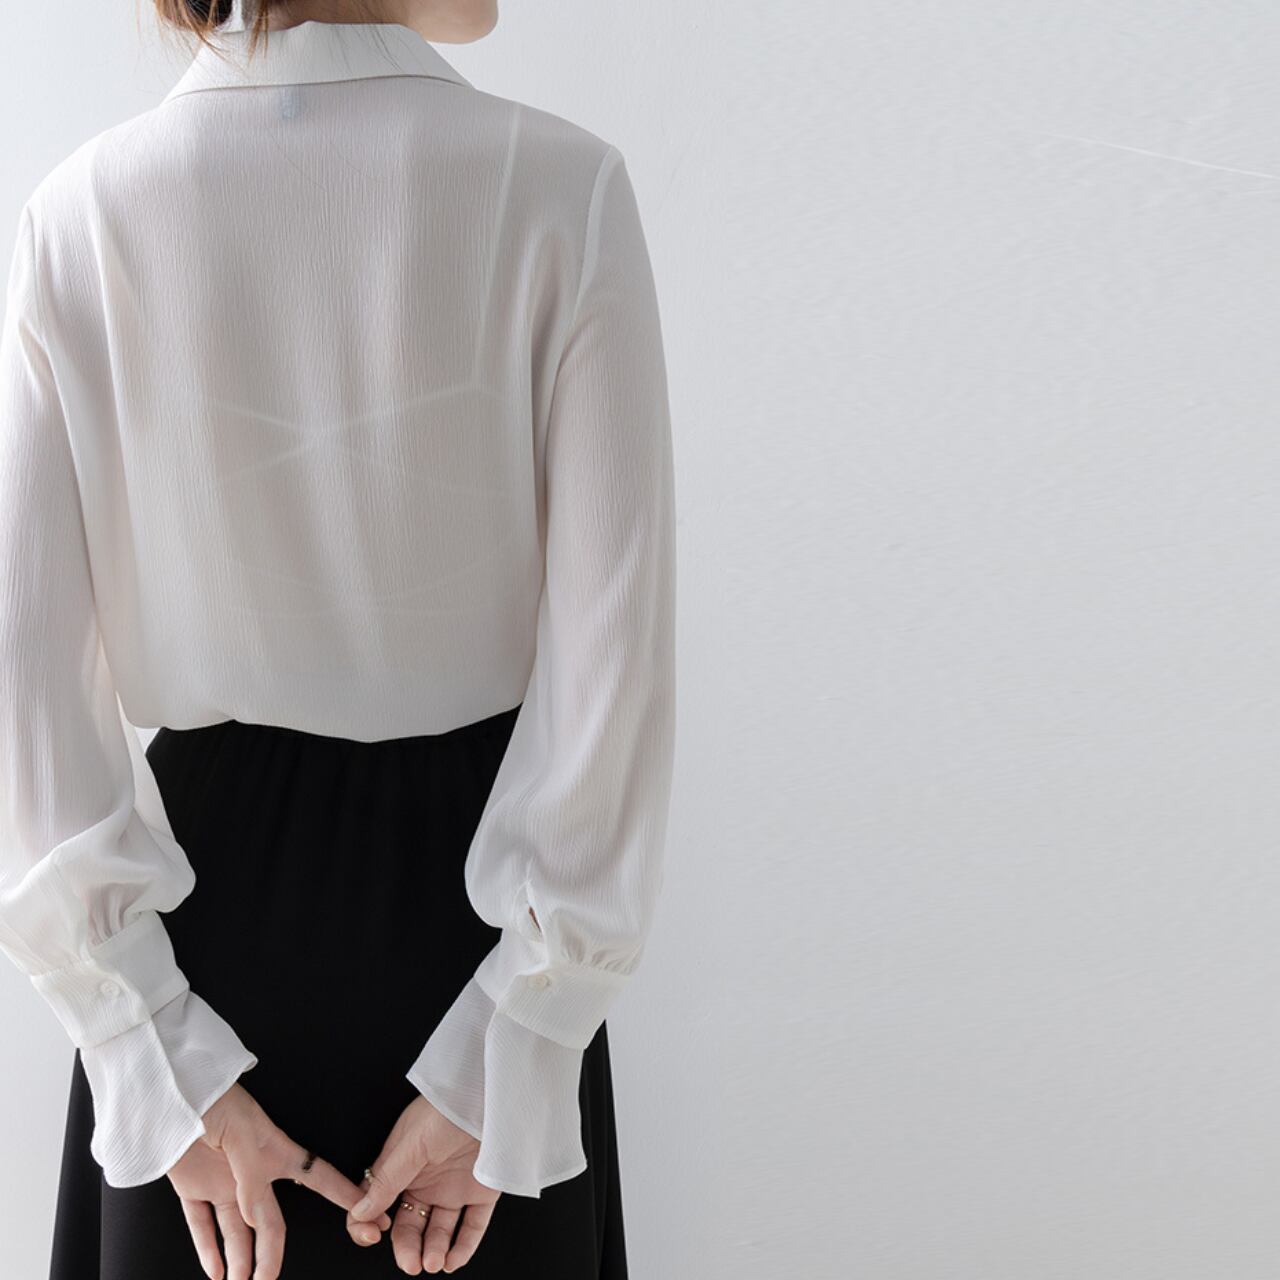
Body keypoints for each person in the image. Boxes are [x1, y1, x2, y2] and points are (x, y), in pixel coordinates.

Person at [0, 0, 677, 1276]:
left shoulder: (82, 211)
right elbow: (614, 657)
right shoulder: (560, 189)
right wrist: (517, 1047)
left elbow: (22, 687)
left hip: (193, 931)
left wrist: (152, 1050)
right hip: (485, 919)